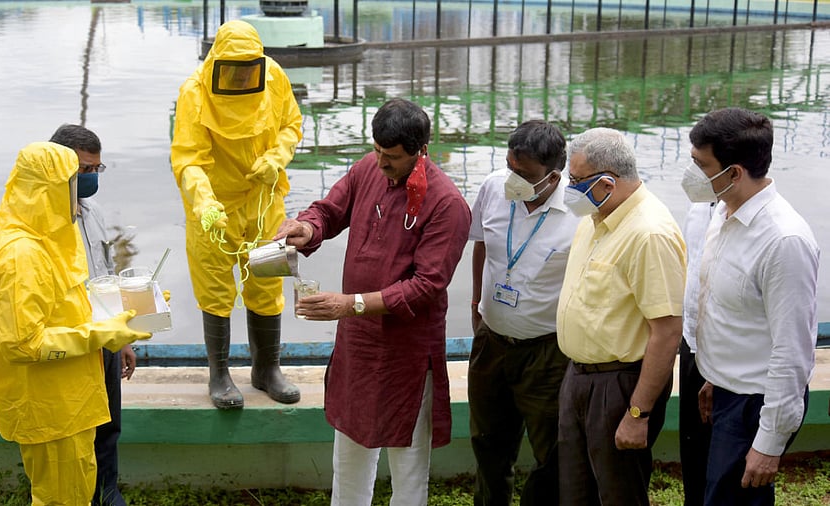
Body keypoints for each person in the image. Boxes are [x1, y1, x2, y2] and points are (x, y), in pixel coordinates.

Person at [273, 98, 471, 505]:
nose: (381, 163)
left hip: (407, 353)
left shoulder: (447, 204)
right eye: (378, 151)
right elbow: (329, 211)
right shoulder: (367, 168)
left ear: (421, 151)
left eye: (392, 157)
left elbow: (425, 286)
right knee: (348, 457)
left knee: (408, 463)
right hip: (359, 345)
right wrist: (307, 229)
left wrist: (350, 305)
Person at [0, 141, 151, 505]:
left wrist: (124, 306)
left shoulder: (50, 236)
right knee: (61, 498)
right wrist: (103, 333)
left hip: (71, 399)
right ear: (46, 189)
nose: (80, 191)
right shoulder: (22, 255)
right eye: (73, 181)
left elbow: (69, 303)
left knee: (79, 491)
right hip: (49, 408)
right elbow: (23, 343)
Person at [687, 108, 819, 505]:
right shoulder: (724, 213)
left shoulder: (783, 241)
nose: (692, 173)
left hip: (755, 402)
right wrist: (713, 374)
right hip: (724, 388)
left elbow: (793, 352)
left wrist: (769, 443)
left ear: (734, 172)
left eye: (700, 164)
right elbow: (730, 313)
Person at [170, 19, 304, 409]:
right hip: (212, 208)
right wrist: (204, 201)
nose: (242, 75)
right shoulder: (195, 91)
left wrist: (276, 158)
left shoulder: (274, 76)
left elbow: (291, 125)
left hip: (263, 201)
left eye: (249, 67)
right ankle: (220, 375)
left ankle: (267, 370)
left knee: (267, 281)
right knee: (214, 288)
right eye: (234, 67)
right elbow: (187, 158)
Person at [556, 127, 686, 505]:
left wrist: (638, 413)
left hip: (619, 385)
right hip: (579, 377)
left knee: (618, 494)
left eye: (576, 180)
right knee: (576, 492)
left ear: (608, 182)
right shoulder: (594, 219)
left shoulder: (649, 234)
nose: (569, 188)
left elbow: (666, 331)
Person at [467, 120, 578, 505]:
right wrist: (476, 306)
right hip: (492, 341)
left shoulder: (579, 211)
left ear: (554, 177)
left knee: (553, 451)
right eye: (511, 166)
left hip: (548, 352)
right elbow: (481, 243)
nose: (513, 179)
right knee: (487, 443)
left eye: (525, 174)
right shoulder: (494, 187)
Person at [50, 124, 135, 506]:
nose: (90, 179)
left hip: (105, 336)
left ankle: (108, 492)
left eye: (95, 171)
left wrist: (122, 336)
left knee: (108, 426)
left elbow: (105, 274)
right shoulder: (44, 223)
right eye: (83, 171)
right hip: (70, 343)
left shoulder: (93, 211)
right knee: (74, 430)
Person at [678, 201, 715, 506]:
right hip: (691, 341)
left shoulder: (773, 231)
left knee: (725, 468)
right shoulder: (699, 207)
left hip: (724, 357)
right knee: (692, 452)